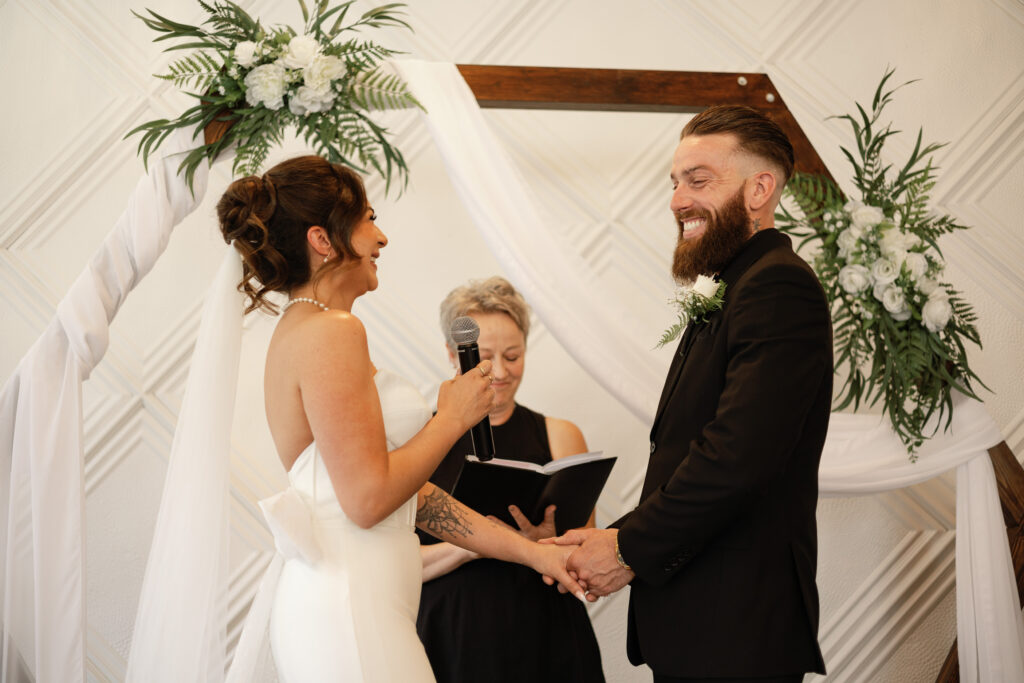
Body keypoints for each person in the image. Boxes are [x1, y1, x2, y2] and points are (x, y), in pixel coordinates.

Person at [216, 156, 586, 682]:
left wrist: (530, 553)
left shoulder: (309, 327)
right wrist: (452, 418)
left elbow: (412, 498)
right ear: (323, 240)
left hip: (362, 603)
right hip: (353, 610)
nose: (382, 237)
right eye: (369, 219)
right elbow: (368, 501)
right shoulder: (332, 331)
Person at [549, 105, 833, 682]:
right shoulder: (737, 283)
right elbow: (690, 452)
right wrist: (616, 536)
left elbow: (736, 457)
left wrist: (625, 549)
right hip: (704, 617)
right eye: (675, 183)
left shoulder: (777, 286)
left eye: (698, 181)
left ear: (759, 189)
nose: (678, 200)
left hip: (736, 623)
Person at [415, 276, 605, 682]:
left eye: (513, 355)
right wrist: (474, 544)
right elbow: (395, 566)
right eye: (484, 357)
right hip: (452, 637)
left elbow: (590, 552)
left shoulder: (560, 435)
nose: (500, 372)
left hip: (544, 633)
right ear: (452, 353)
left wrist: (548, 541)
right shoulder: (418, 441)